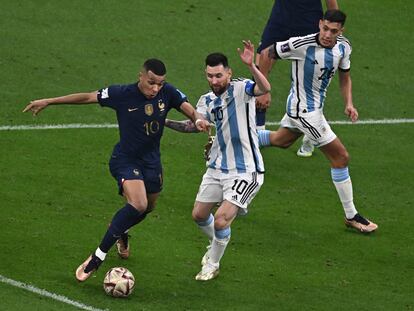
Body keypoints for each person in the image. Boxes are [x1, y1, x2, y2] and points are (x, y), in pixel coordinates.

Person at [23, 58, 210, 282]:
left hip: (151, 162)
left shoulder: (167, 92)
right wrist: (50, 101)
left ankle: (120, 230)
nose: (155, 88)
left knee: (147, 208)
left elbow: (189, 110)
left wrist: (199, 120)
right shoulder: (121, 94)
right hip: (125, 160)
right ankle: (97, 256)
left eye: (160, 84)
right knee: (138, 203)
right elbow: (87, 96)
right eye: (151, 82)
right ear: (141, 76)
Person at [258, 10, 378, 233]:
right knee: (341, 157)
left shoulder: (344, 46)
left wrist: (349, 103)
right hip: (304, 111)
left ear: (341, 31)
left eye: (334, 31)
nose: (327, 34)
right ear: (319, 24)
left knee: (280, 140)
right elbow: (267, 53)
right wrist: (262, 90)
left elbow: (345, 77)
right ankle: (352, 215)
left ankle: (234, 140)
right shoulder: (301, 44)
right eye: (325, 28)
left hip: (313, 109)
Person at [166, 41, 271, 281]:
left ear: (229, 73)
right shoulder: (206, 100)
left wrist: (252, 65)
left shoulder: (242, 89)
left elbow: (265, 88)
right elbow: (193, 124)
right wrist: (169, 121)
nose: (214, 81)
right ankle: (217, 242)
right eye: (210, 76)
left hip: (246, 170)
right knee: (199, 215)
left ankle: (212, 263)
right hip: (217, 168)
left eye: (219, 75)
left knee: (222, 219)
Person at [255, 0, 339, 157]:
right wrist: (264, 91)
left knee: (314, 78)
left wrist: (336, 29)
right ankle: (257, 132)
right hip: (281, 18)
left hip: (309, 20)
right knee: (260, 68)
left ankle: (311, 135)